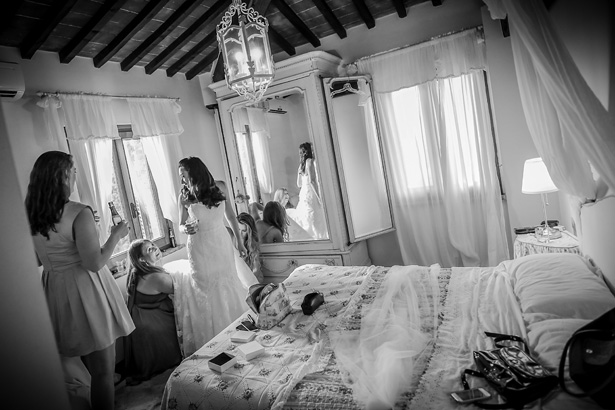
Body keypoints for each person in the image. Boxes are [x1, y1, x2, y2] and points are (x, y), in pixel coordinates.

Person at [26, 151, 134, 410]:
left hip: (56, 290)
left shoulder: (32, 215)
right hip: (86, 291)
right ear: (62, 176)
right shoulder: (77, 212)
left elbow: (38, 261)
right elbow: (94, 262)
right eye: (73, 172)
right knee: (103, 372)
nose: (75, 178)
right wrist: (115, 236)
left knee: (87, 364)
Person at [170, 156, 253, 356]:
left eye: (184, 174)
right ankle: (214, 341)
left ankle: (238, 330)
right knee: (206, 289)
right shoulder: (184, 195)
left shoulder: (220, 186)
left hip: (220, 242)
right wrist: (185, 227)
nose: (181, 178)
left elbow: (231, 216)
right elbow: (180, 225)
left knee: (228, 282)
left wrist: (240, 242)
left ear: (194, 171)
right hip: (199, 248)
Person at [122, 239, 182, 384]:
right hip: (151, 322)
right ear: (141, 259)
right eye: (149, 249)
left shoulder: (137, 272)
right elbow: (181, 289)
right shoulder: (154, 277)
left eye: (153, 245)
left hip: (140, 318)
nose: (155, 249)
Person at [288, 142, 328, 239]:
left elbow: (299, 184)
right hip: (311, 193)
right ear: (309, 151)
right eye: (312, 149)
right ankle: (318, 236)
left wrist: (300, 174)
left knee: (307, 215)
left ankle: (310, 236)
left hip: (304, 194)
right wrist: (319, 197)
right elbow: (312, 181)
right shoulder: (310, 161)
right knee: (315, 215)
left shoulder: (301, 165)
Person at [236, 212, 264, 283]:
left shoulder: (252, 245)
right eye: (238, 229)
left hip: (250, 278)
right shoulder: (231, 236)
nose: (239, 234)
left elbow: (256, 271)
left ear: (249, 232)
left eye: (244, 231)